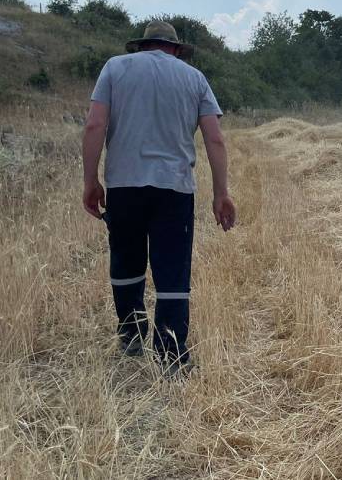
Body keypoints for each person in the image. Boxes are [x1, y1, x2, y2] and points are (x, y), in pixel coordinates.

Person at [80, 20, 237, 376]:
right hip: (175, 188)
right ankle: (170, 353)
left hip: (124, 186)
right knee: (172, 271)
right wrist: (221, 193)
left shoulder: (115, 68)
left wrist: (91, 181)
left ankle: (132, 336)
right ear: (176, 49)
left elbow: (94, 125)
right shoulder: (194, 78)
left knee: (126, 262)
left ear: (141, 46)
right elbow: (215, 139)